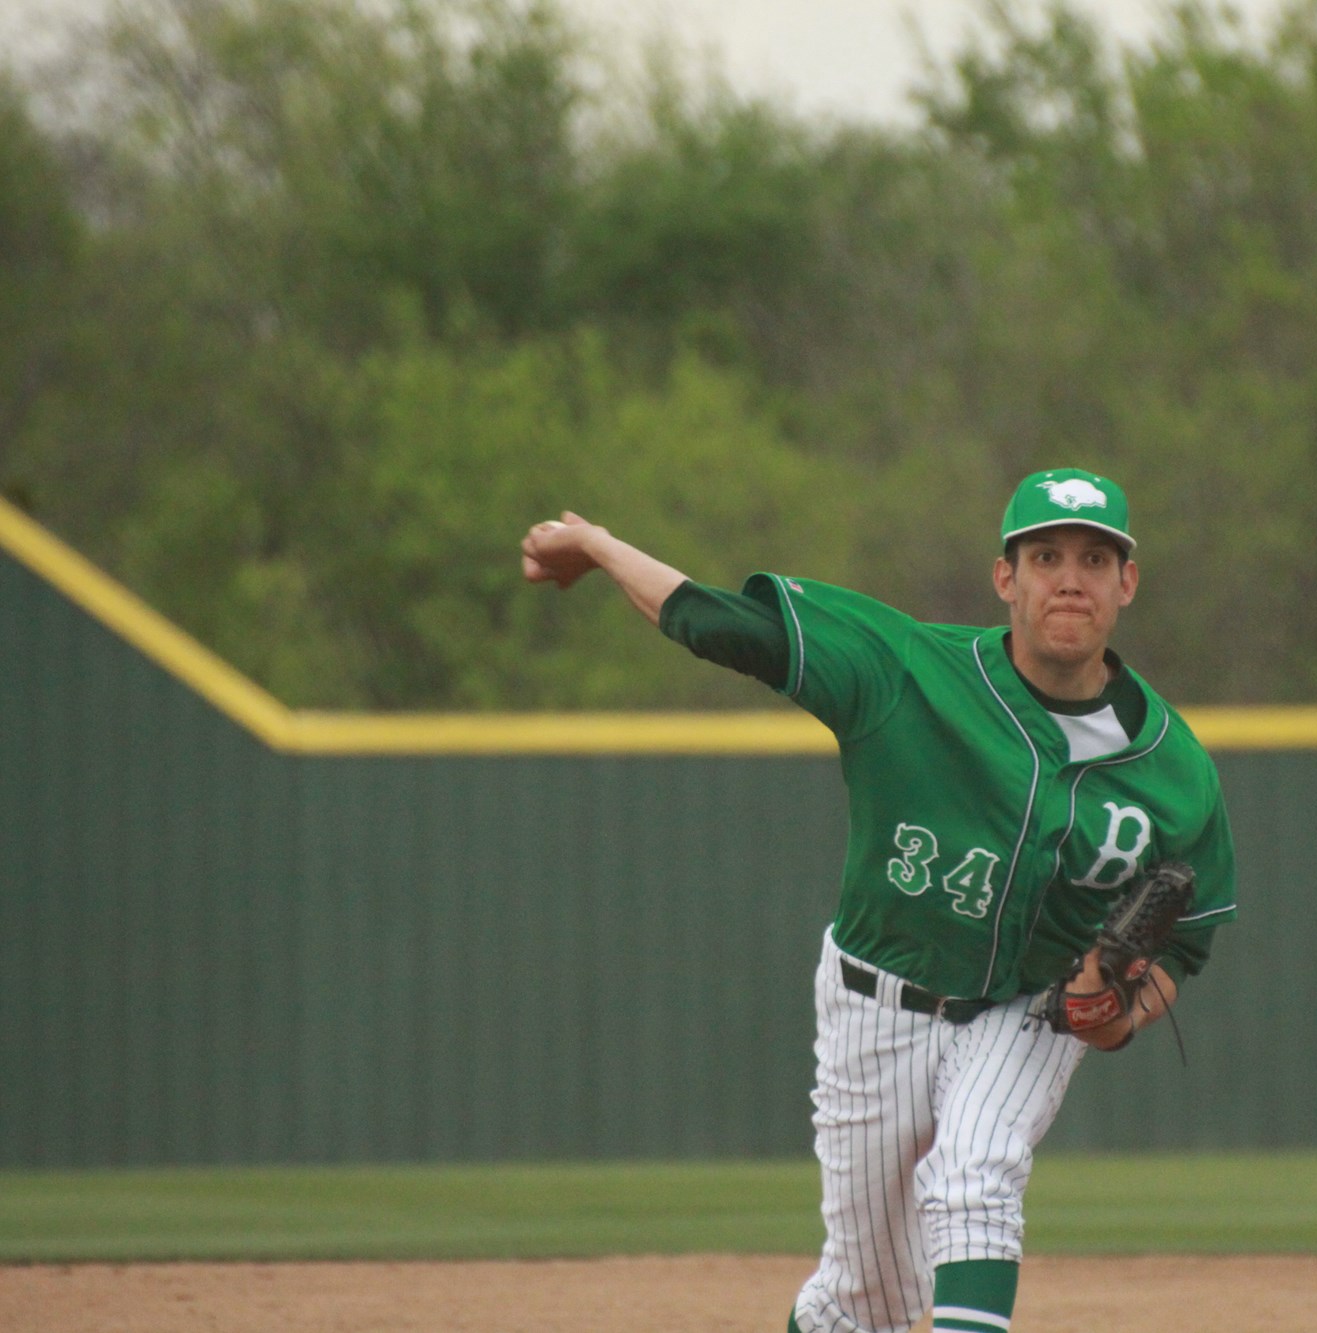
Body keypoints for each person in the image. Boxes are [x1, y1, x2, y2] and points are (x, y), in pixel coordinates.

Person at [521, 467, 1237, 1333]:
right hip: (874, 1000)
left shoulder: (1176, 770)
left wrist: (1121, 1012)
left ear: (1127, 582)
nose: (1070, 577)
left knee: (977, 1168)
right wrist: (598, 548)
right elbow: (720, 622)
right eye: (1045, 555)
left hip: (1028, 1008)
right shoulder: (906, 670)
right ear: (1005, 578)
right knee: (864, 1300)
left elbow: (1181, 947)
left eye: (1095, 557)